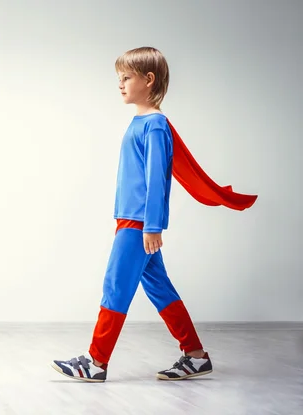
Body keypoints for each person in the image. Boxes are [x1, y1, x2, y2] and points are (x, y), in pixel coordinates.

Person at [51, 46, 257, 382]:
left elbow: (156, 180)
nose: (120, 84)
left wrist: (153, 225)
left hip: (139, 223)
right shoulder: (141, 122)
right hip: (130, 219)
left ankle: (95, 362)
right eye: (119, 78)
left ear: (148, 80)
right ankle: (195, 355)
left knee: (115, 287)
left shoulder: (155, 125)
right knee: (159, 288)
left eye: (126, 77)